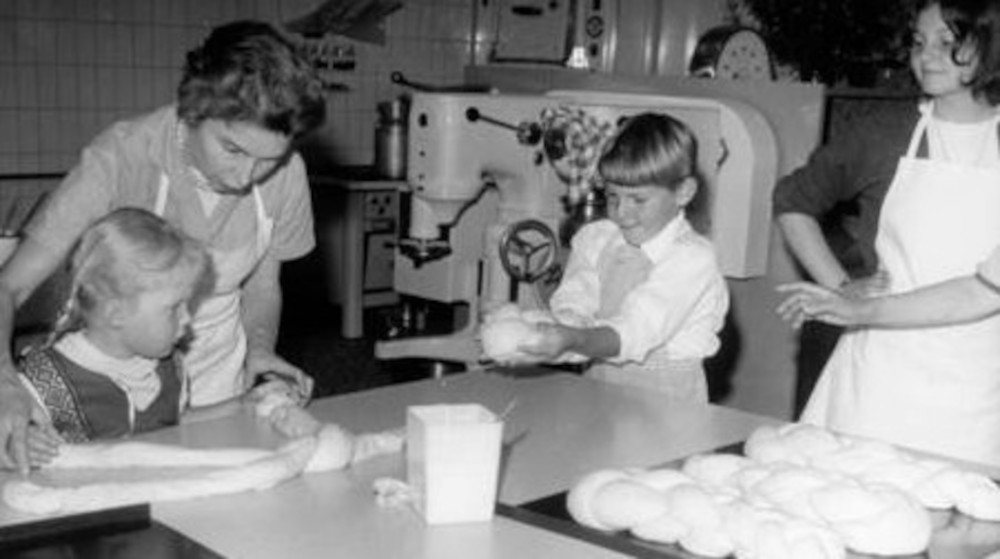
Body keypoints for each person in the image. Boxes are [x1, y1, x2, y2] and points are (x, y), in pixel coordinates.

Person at [0, 20, 325, 473]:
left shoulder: (287, 173)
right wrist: (5, 384)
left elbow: (264, 286)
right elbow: (9, 288)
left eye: (267, 159)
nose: (245, 177)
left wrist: (261, 351)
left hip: (214, 376)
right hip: (109, 379)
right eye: (231, 149)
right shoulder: (122, 157)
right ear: (192, 110)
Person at [775, 0, 1000, 466]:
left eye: (948, 43)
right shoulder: (884, 132)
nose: (928, 56)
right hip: (880, 378)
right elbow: (793, 201)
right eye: (919, 43)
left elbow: (983, 292)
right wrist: (840, 290)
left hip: (981, 385)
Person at [513, 112, 729, 402]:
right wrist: (549, 331)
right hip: (598, 392)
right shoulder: (598, 239)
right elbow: (576, 300)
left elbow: (636, 330)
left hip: (668, 406)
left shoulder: (692, 259)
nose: (622, 213)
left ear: (683, 192)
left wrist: (573, 339)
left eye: (638, 200)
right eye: (612, 196)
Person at [20, 208, 216, 464]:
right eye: (174, 308)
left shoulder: (172, 369)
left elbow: (178, 423)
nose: (188, 319)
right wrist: (18, 446)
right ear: (116, 314)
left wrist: (244, 404)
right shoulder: (43, 382)